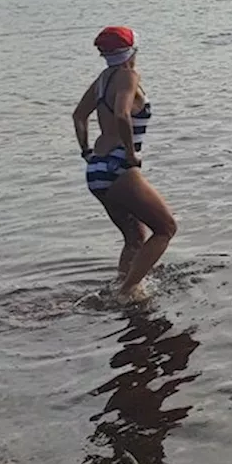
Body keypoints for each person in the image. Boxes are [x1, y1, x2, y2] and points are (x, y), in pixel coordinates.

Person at [73, 26, 177, 303]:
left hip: (96, 168)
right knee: (166, 229)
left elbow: (78, 116)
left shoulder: (103, 79)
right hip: (119, 166)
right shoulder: (129, 75)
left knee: (135, 238)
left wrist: (85, 151)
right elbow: (122, 115)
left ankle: (123, 287)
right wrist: (131, 153)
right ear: (133, 50)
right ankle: (127, 292)